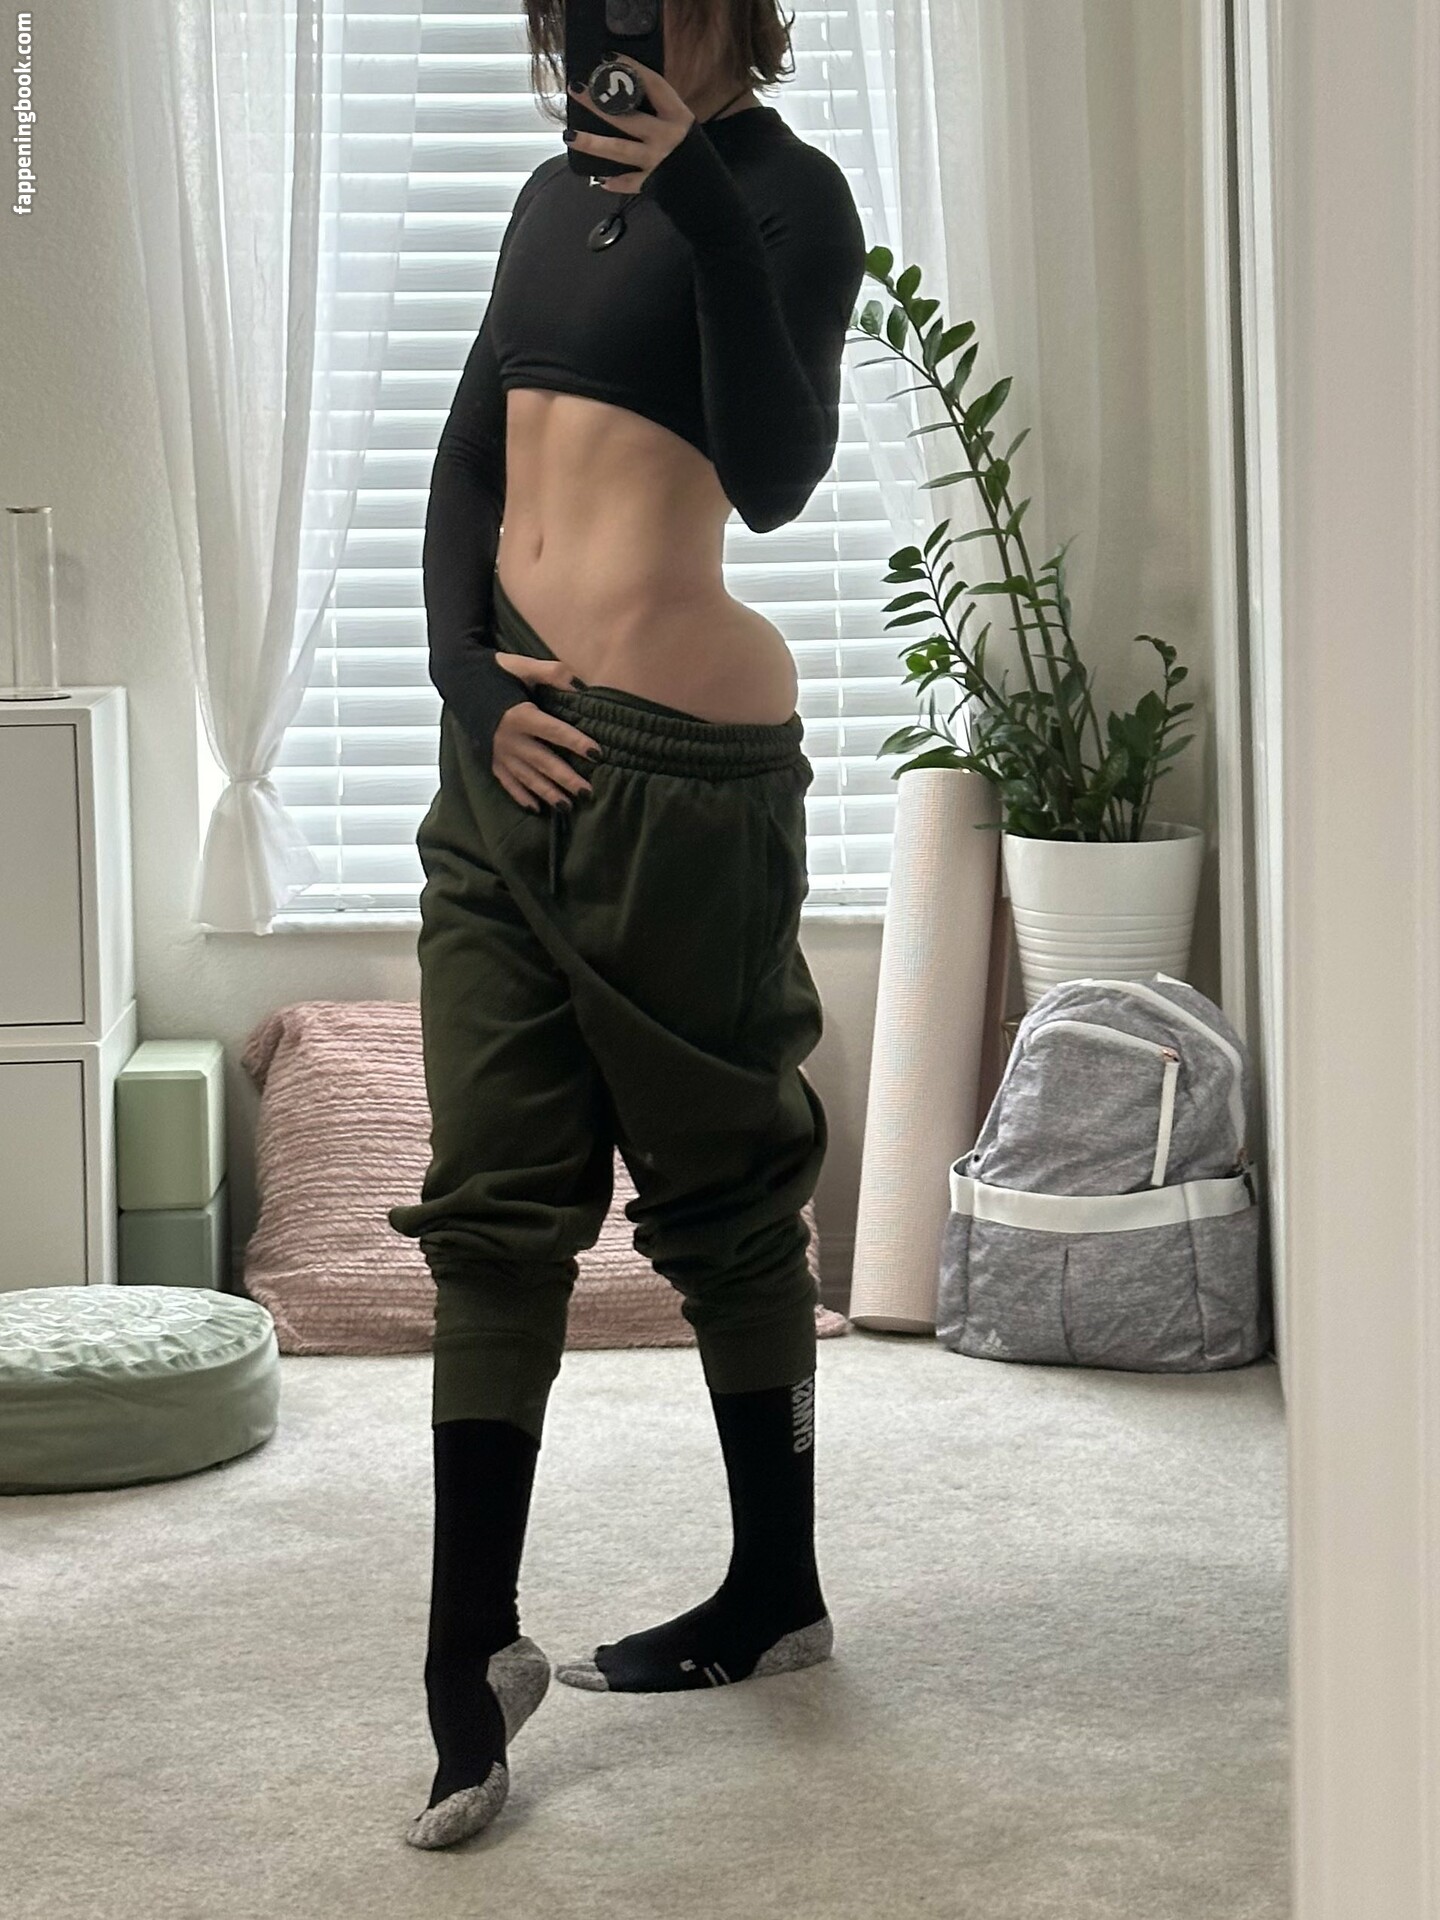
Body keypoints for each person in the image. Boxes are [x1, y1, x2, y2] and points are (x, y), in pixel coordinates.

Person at [386, 0, 867, 1852]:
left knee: (724, 1193)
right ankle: (466, 1662)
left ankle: (776, 1589)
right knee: (493, 1201)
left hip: (684, 773)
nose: (615, 14)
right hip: (500, 765)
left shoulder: (789, 198)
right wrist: (462, 680)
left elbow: (780, 474)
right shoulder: (540, 199)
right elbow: (466, 470)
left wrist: (697, 201)